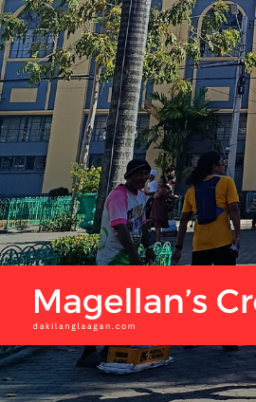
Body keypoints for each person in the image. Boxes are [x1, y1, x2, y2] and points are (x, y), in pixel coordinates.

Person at [79, 158, 156, 367]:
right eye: (138, 174)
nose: (142, 178)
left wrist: (148, 248)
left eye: (145, 174)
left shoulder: (140, 196)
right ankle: (88, 351)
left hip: (127, 256)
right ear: (128, 176)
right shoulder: (118, 197)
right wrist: (133, 256)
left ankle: (111, 347)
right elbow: (121, 228)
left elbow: (142, 225)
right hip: (113, 258)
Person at [172, 151, 242, 266]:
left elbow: (184, 219)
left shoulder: (191, 190)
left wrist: (178, 247)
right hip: (223, 242)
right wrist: (238, 236)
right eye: (221, 164)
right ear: (214, 167)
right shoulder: (226, 181)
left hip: (199, 244)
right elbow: (233, 209)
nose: (223, 166)